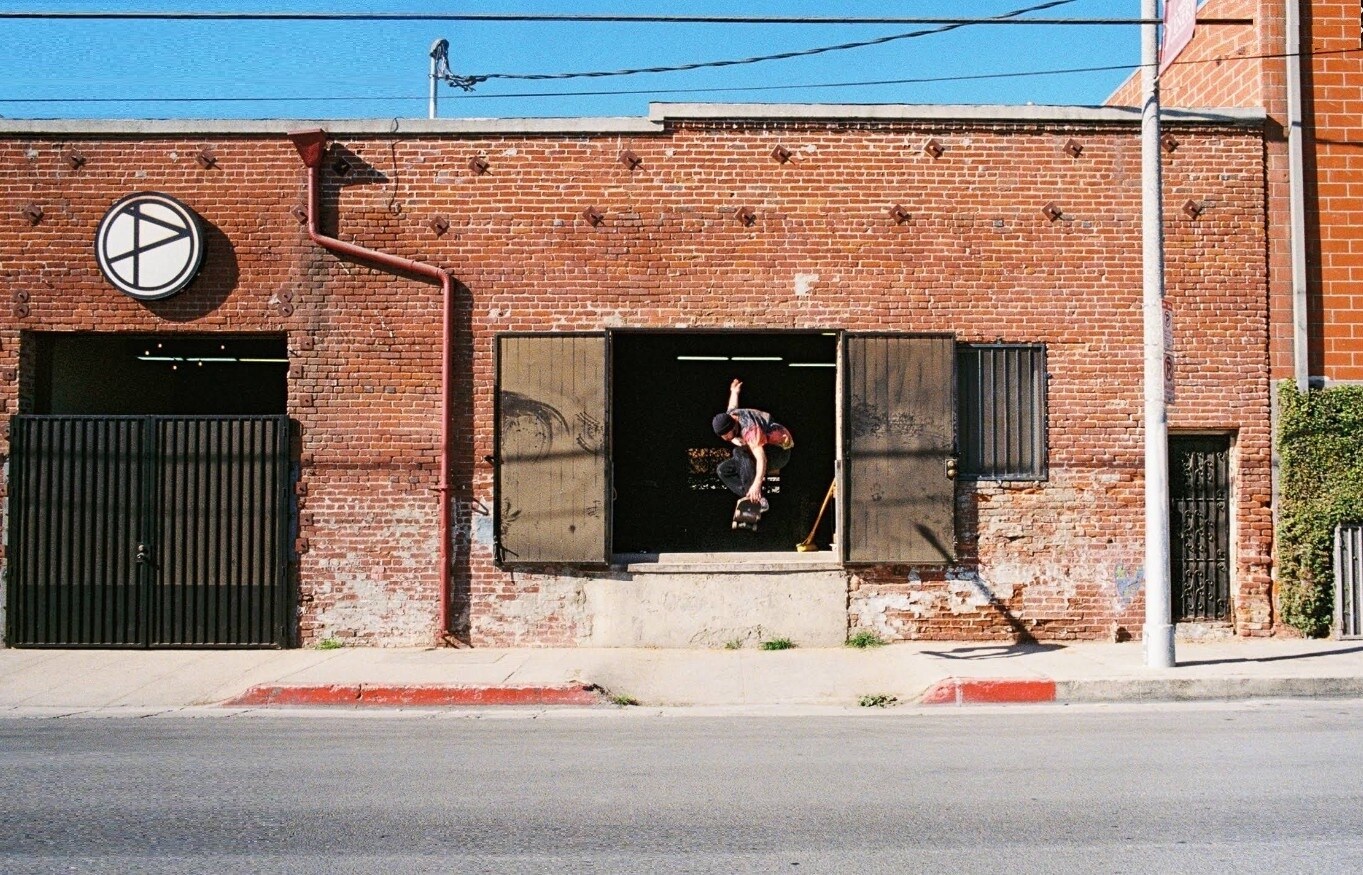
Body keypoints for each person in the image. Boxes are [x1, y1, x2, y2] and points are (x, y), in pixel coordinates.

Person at [712, 378, 794, 508]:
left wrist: (757, 485)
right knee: (723, 470)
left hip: (779, 452)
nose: (725, 439)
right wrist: (734, 391)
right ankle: (752, 498)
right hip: (764, 449)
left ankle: (757, 495)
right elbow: (732, 405)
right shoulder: (731, 416)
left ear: (733, 427)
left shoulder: (750, 430)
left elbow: (762, 459)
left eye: (727, 435)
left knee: (739, 451)